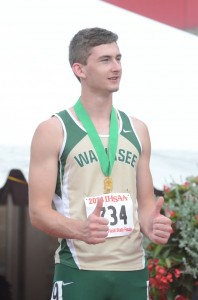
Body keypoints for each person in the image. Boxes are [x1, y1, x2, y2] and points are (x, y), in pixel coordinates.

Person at [28, 27, 172, 300]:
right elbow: (37, 212)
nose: (116, 67)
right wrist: (79, 229)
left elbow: (144, 206)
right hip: (80, 270)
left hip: (133, 271)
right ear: (79, 69)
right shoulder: (54, 130)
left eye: (118, 58)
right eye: (105, 60)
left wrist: (151, 225)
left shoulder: (137, 129)